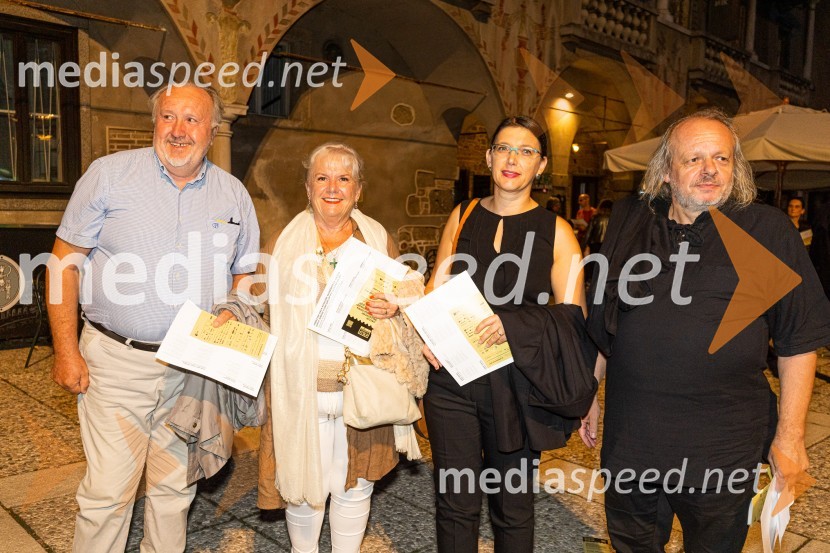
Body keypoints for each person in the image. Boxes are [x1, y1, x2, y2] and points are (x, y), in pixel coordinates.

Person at [580, 109, 830, 553]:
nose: (710, 169)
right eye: (694, 159)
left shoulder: (767, 229)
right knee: (631, 544)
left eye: (721, 158)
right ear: (666, 171)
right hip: (633, 438)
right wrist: (588, 394)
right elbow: (605, 317)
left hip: (723, 446)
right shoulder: (631, 220)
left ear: (736, 167)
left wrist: (790, 437)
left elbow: (799, 339)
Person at [47, 82, 260, 551]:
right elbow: (63, 263)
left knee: (174, 491)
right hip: (115, 364)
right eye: (168, 117)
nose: (178, 130)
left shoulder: (233, 194)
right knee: (108, 495)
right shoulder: (109, 175)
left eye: (192, 119)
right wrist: (65, 350)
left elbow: (246, 273)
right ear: (154, 123)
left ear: (212, 130)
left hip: (193, 370)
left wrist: (234, 307)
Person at [422, 116, 587, 552]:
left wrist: (512, 325)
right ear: (489, 156)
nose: (513, 159)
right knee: (454, 502)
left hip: (517, 386)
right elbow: (436, 287)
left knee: (512, 507)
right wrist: (426, 334)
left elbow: (573, 318)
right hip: (452, 381)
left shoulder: (557, 231)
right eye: (504, 149)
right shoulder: (463, 215)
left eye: (526, 151)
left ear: (541, 165)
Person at [256, 143, 425, 553]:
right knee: (304, 486)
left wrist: (395, 306)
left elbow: (410, 299)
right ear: (307, 188)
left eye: (343, 178)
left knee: (354, 484)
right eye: (322, 178)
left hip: (362, 388)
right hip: (301, 391)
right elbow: (261, 310)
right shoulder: (281, 242)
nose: (333, 188)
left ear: (358, 189)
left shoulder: (377, 239)